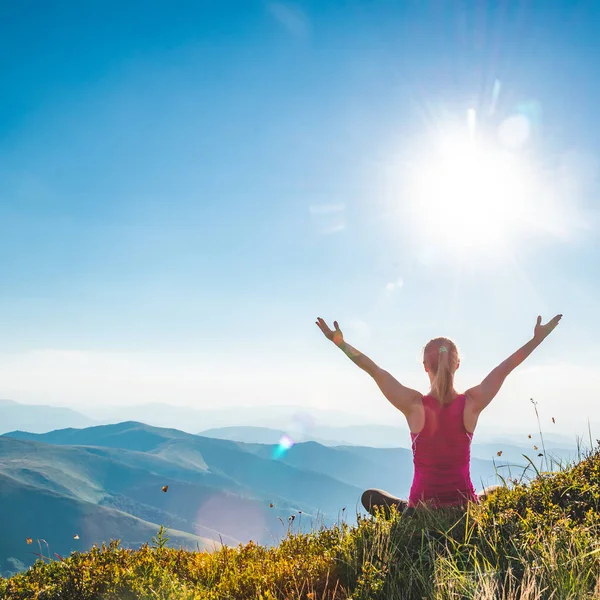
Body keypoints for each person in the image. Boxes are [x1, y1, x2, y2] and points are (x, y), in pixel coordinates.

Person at [315, 314, 563, 516]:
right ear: (457, 364)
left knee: (370, 497)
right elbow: (505, 368)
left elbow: (374, 370)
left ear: (425, 367)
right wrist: (536, 340)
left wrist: (340, 343)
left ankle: (406, 510)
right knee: (498, 490)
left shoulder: (413, 405)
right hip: (465, 510)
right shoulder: (472, 403)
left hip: (419, 512)